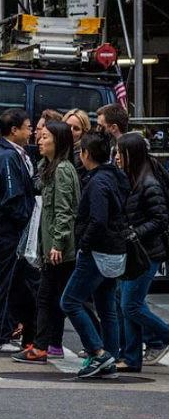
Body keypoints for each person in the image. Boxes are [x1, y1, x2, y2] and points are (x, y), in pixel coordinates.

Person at [60, 131, 129, 379]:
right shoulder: (115, 177)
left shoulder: (98, 182)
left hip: (98, 252)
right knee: (106, 308)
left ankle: (99, 353)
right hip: (114, 250)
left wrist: (84, 245)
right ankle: (109, 360)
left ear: (86, 153)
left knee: (69, 301)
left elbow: (98, 220)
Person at [13, 120, 80, 364]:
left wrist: (57, 244)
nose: (39, 141)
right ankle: (48, 345)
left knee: (55, 298)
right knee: (55, 298)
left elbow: (65, 212)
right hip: (51, 245)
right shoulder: (49, 167)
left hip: (59, 248)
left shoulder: (62, 170)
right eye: (40, 136)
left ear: (58, 142)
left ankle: (44, 346)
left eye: (45, 137)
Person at [0, 108, 37, 353]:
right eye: (28, 127)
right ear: (14, 130)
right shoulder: (6, 157)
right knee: (6, 283)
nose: (31, 131)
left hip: (11, 228)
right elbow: (11, 198)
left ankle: (5, 331)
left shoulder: (13, 153)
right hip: (9, 230)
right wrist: (28, 219)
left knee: (14, 283)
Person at [115, 133, 169, 372]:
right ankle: (132, 357)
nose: (117, 158)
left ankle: (162, 338)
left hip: (147, 254)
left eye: (120, 153)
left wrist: (134, 233)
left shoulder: (149, 183)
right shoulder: (131, 179)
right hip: (134, 252)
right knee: (127, 304)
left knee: (131, 306)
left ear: (132, 155)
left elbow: (160, 219)